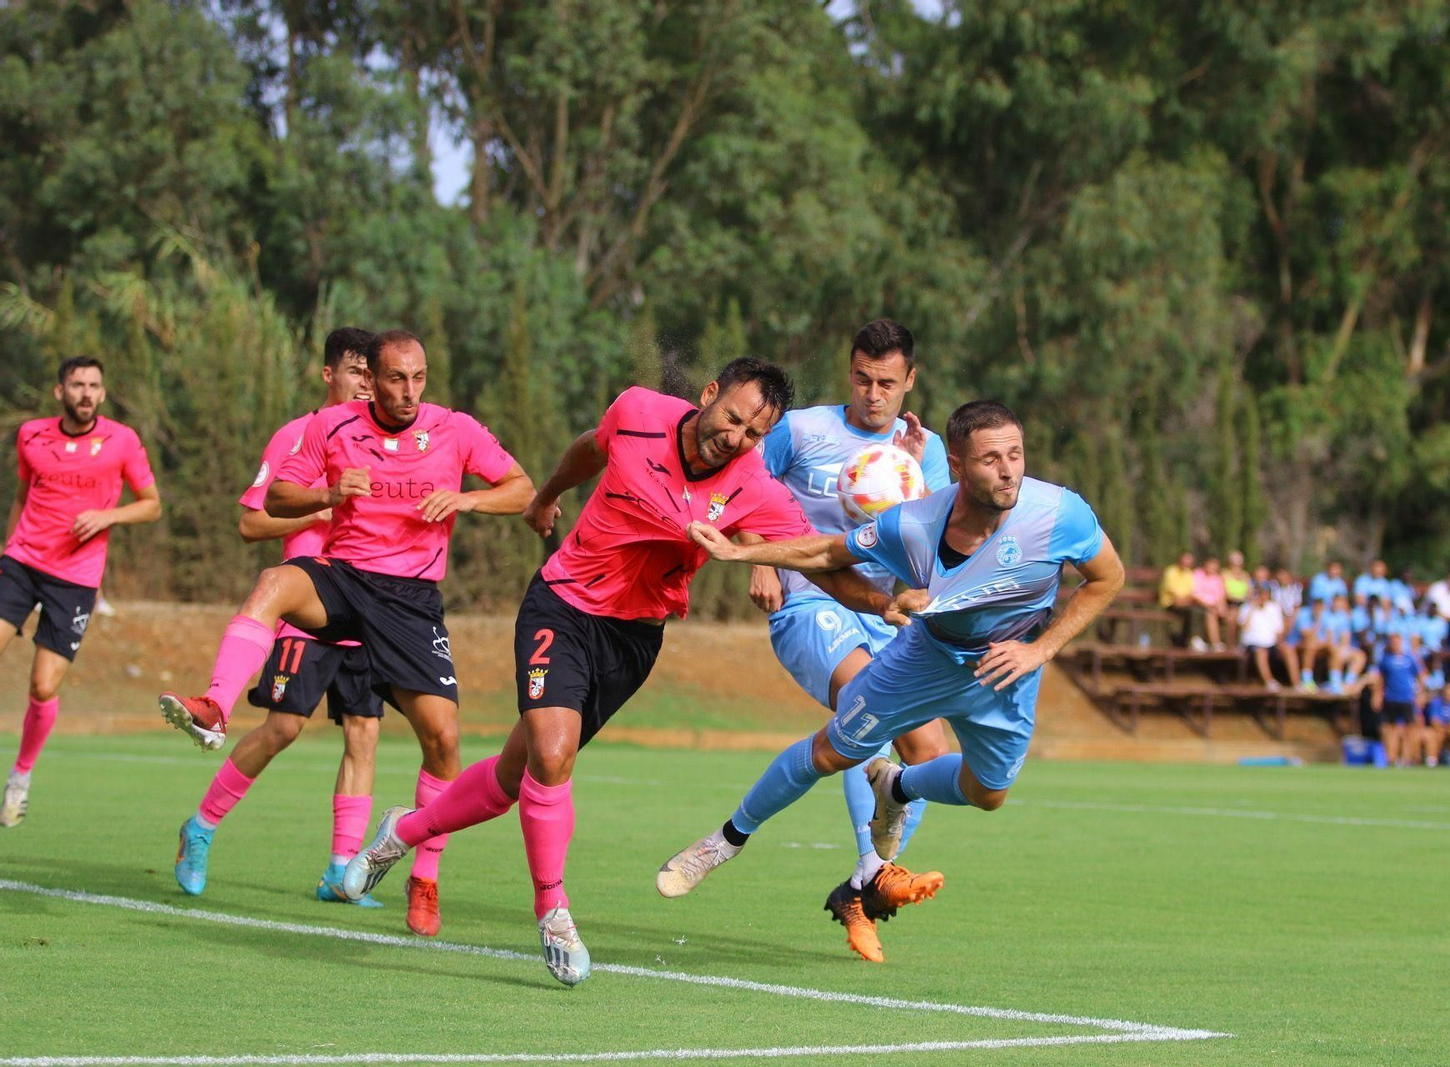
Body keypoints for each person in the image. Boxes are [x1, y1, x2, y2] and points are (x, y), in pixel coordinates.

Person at [341, 359, 891, 987]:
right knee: (553, 756)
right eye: (733, 418)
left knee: (514, 775)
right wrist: (548, 493)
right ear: (708, 396)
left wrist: (884, 601)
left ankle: (399, 831)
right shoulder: (637, 413)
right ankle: (553, 911)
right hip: (563, 604)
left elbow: (818, 556)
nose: (736, 438)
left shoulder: (754, 488)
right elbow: (590, 449)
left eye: (753, 433)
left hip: (635, 638)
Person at [655, 401, 1125, 932]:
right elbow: (829, 555)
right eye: (991, 458)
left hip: (1007, 671)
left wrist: (1041, 650)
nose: (1008, 469)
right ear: (958, 465)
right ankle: (724, 842)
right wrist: (742, 555)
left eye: (1015, 454)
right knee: (831, 751)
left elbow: (1107, 578)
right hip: (924, 659)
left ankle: (897, 788)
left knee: (988, 795)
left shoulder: (1061, 513)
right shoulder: (914, 524)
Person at [158, 331, 533, 936]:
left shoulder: (453, 428)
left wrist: (463, 501)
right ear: (349, 377)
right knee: (277, 670)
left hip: (409, 604)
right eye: (386, 377)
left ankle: (400, 874)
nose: (404, 389)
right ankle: (214, 717)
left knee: (425, 738)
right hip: (340, 580)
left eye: (417, 377)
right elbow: (266, 507)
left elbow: (520, 488)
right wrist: (327, 497)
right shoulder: (323, 429)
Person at [748, 320, 952, 963]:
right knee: (869, 709)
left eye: (887, 382)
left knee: (926, 753)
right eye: (862, 378)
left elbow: (938, 546)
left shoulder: (929, 448)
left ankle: (861, 890)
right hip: (812, 600)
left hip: (888, 614)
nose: (873, 393)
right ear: (849, 371)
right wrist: (758, 555)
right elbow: (738, 486)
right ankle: (875, 866)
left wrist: (918, 476)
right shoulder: (803, 430)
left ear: (910, 381)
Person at [171, 329, 391, 913]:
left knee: (364, 735)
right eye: (353, 372)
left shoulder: (384, 439)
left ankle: (341, 871)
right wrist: (324, 500)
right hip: (308, 600)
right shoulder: (299, 434)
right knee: (283, 728)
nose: (364, 384)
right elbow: (251, 522)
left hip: (369, 604)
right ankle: (201, 828)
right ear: (327, 374)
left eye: (372, 374)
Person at [0, 357, 162, 827]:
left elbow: (151, 506)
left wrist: (108, 517)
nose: (86, 393)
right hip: (22, 563)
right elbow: (22, 496)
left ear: (103, 393)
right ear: (60, 392)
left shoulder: (122, 441)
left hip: (75, 579)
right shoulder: (30, 435)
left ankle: (20, 777)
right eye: (77, 385)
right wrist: (8, 549)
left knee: (43, 685)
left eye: (94, 385)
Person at [1365, 633, 1426, 766]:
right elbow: (1380, 679)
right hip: (1391, 697)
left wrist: (1420, 693)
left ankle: (1406, 757)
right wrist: (1377, 695)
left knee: (1409, 728)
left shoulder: (1409, 658)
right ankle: (1391, 758)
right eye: (1392, 642)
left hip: (1407, 697)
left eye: (1397, 642)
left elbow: (1421, 675)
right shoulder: (1386, 659)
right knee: (1389, 728)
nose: (1395, 645)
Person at [1238, 586, 1292, 689]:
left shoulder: (1274, 608)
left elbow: (1278, 630)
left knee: (1288, 650)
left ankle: (1297, 684)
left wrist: (1280, 643)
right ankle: (1270, 682)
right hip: (1253, 644)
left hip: (1271, 643)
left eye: (1265, 594)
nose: (1263, 597)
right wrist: (1252, 609)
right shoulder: (1246, 608)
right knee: (1261, 652)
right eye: (1260, 594)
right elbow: (1244, 627)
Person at [1158, 551, 1205, 650]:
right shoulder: (1170, 571)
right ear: (1180, 559)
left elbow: (1191, 593)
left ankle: (1188, 640)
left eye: (1189, 560)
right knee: (1191, 612)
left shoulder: (1189, 574)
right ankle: (1186, 641)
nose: (1186, 562)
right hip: (1170, 603)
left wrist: (1183, 600)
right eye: (1185, 559)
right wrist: (1182, 600)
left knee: (1198, 612)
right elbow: (1173, 594)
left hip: (1185, 604)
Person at [1420, 679, 1450, 769]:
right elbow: (1434, 722)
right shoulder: (1436, 703)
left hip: (1448, 729)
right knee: (1436, 734)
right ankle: (1433, 759)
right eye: (1449, 691)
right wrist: (1447, 728)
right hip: (1433, 729)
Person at [1192, 556, 1227, 649]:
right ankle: (1216, 643)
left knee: (1230, 615)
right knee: (1210, 614)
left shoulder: (1217, 578)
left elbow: (1221, 595)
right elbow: (1195, 594)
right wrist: (1208, 605)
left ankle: (1232, 644)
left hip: (1215, 605)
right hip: (1200, 604)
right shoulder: (1198, 574)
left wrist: (1222, 607)